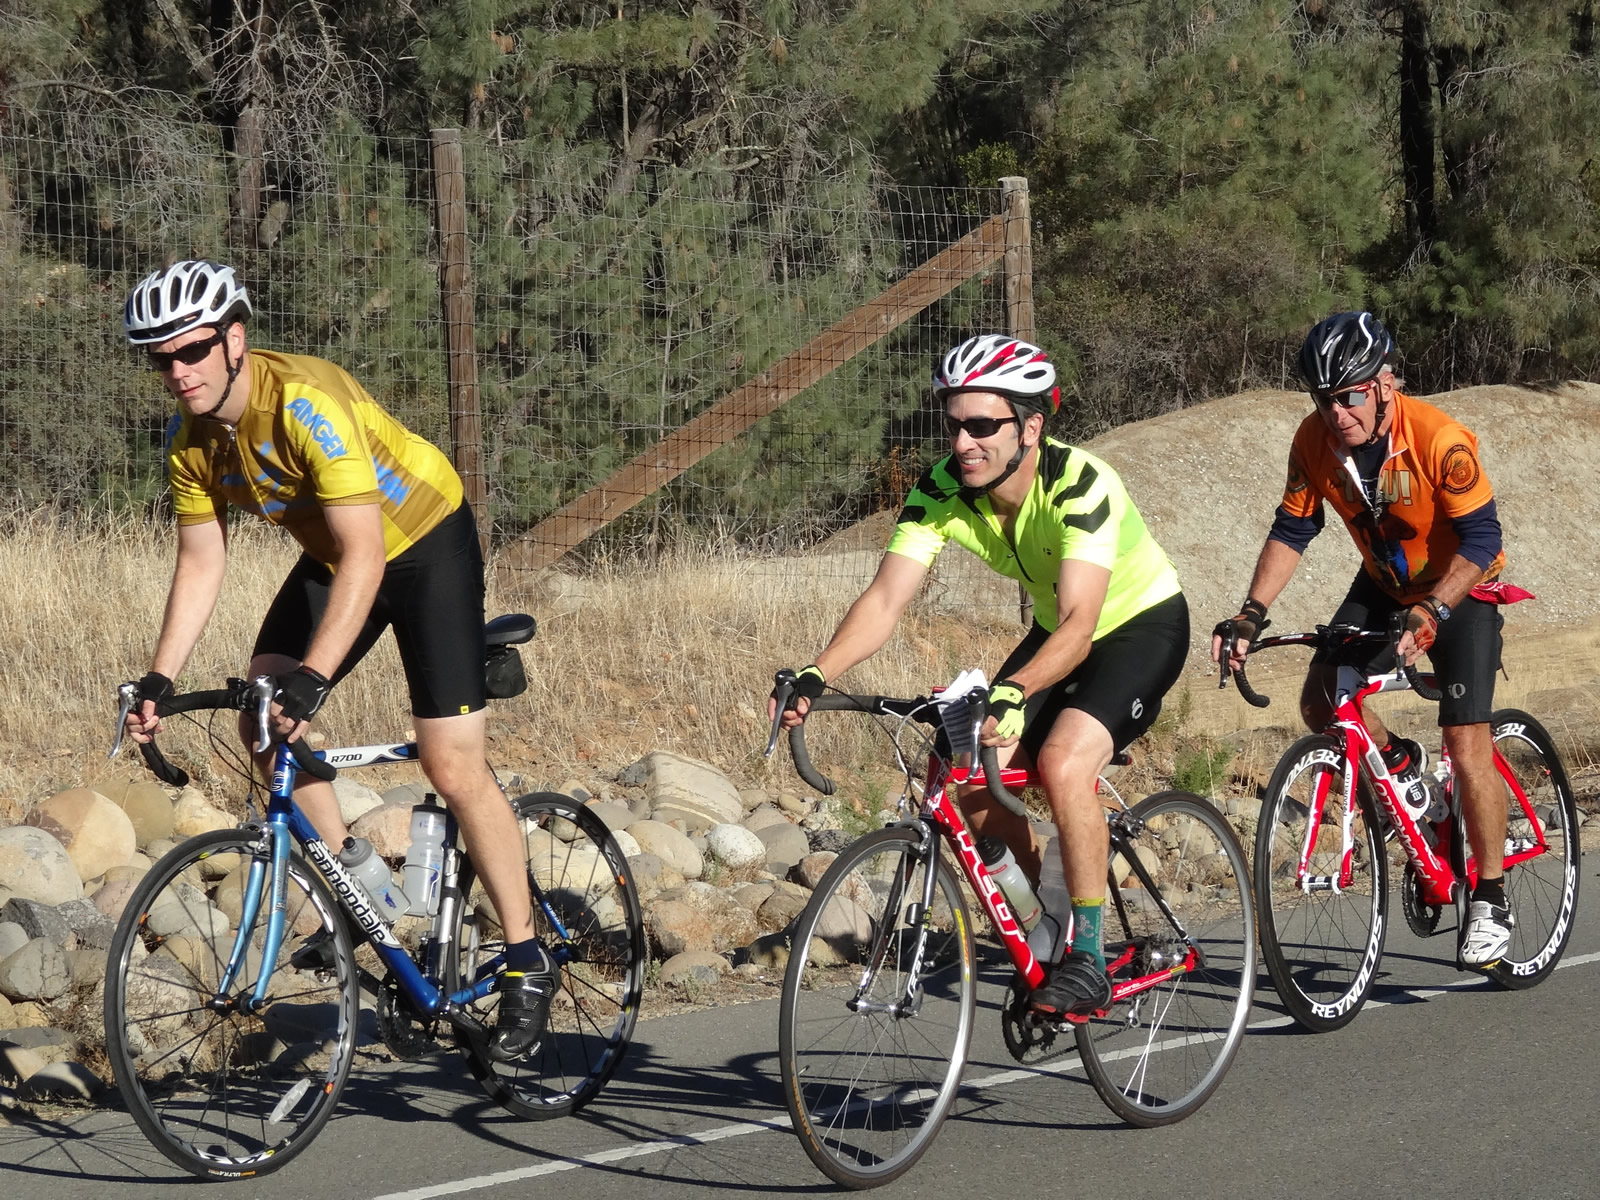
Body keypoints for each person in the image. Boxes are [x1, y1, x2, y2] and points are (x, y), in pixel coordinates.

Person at [119, 259, 552, 1060]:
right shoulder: (191, 441)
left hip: (421, 543)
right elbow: (201, 560)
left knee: (451, 765)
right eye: (161, 358)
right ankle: (357, 888)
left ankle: (527, 959)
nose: (178, 371)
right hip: (337, 557)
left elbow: (368, 554)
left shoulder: (305, 402)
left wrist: (313, 677)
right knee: (261, 716)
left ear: (234, 339)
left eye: (193, 349)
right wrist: (159, 678)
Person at [771, 334, 1189, 1018]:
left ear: (1031, 427)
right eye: (954, 425)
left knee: (1062, 762)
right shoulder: (941, 489)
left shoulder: (1081, 483)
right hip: (1058, 631)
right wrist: (819, 671)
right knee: (966, 768)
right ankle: (1048, 913)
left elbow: (1081, 623)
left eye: (983, 426)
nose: (963, 443)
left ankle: (1087, 956)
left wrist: (1016, 688)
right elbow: (885, 600)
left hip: (1137, 626)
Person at [1211, 310, 1512, 967]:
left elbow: (1484, 537)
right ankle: (1405, 772)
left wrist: (1434, 608)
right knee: (1321, 701)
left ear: (1383, 384)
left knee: (1467, 743)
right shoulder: (1313, 440)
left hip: (1462, 584)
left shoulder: (1439, 439)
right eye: (1323, 399)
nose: (1335, 412)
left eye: (1348, 396)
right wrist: (1251, 612)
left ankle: (1490, 896)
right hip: (1386, 582)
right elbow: (1294, 528)